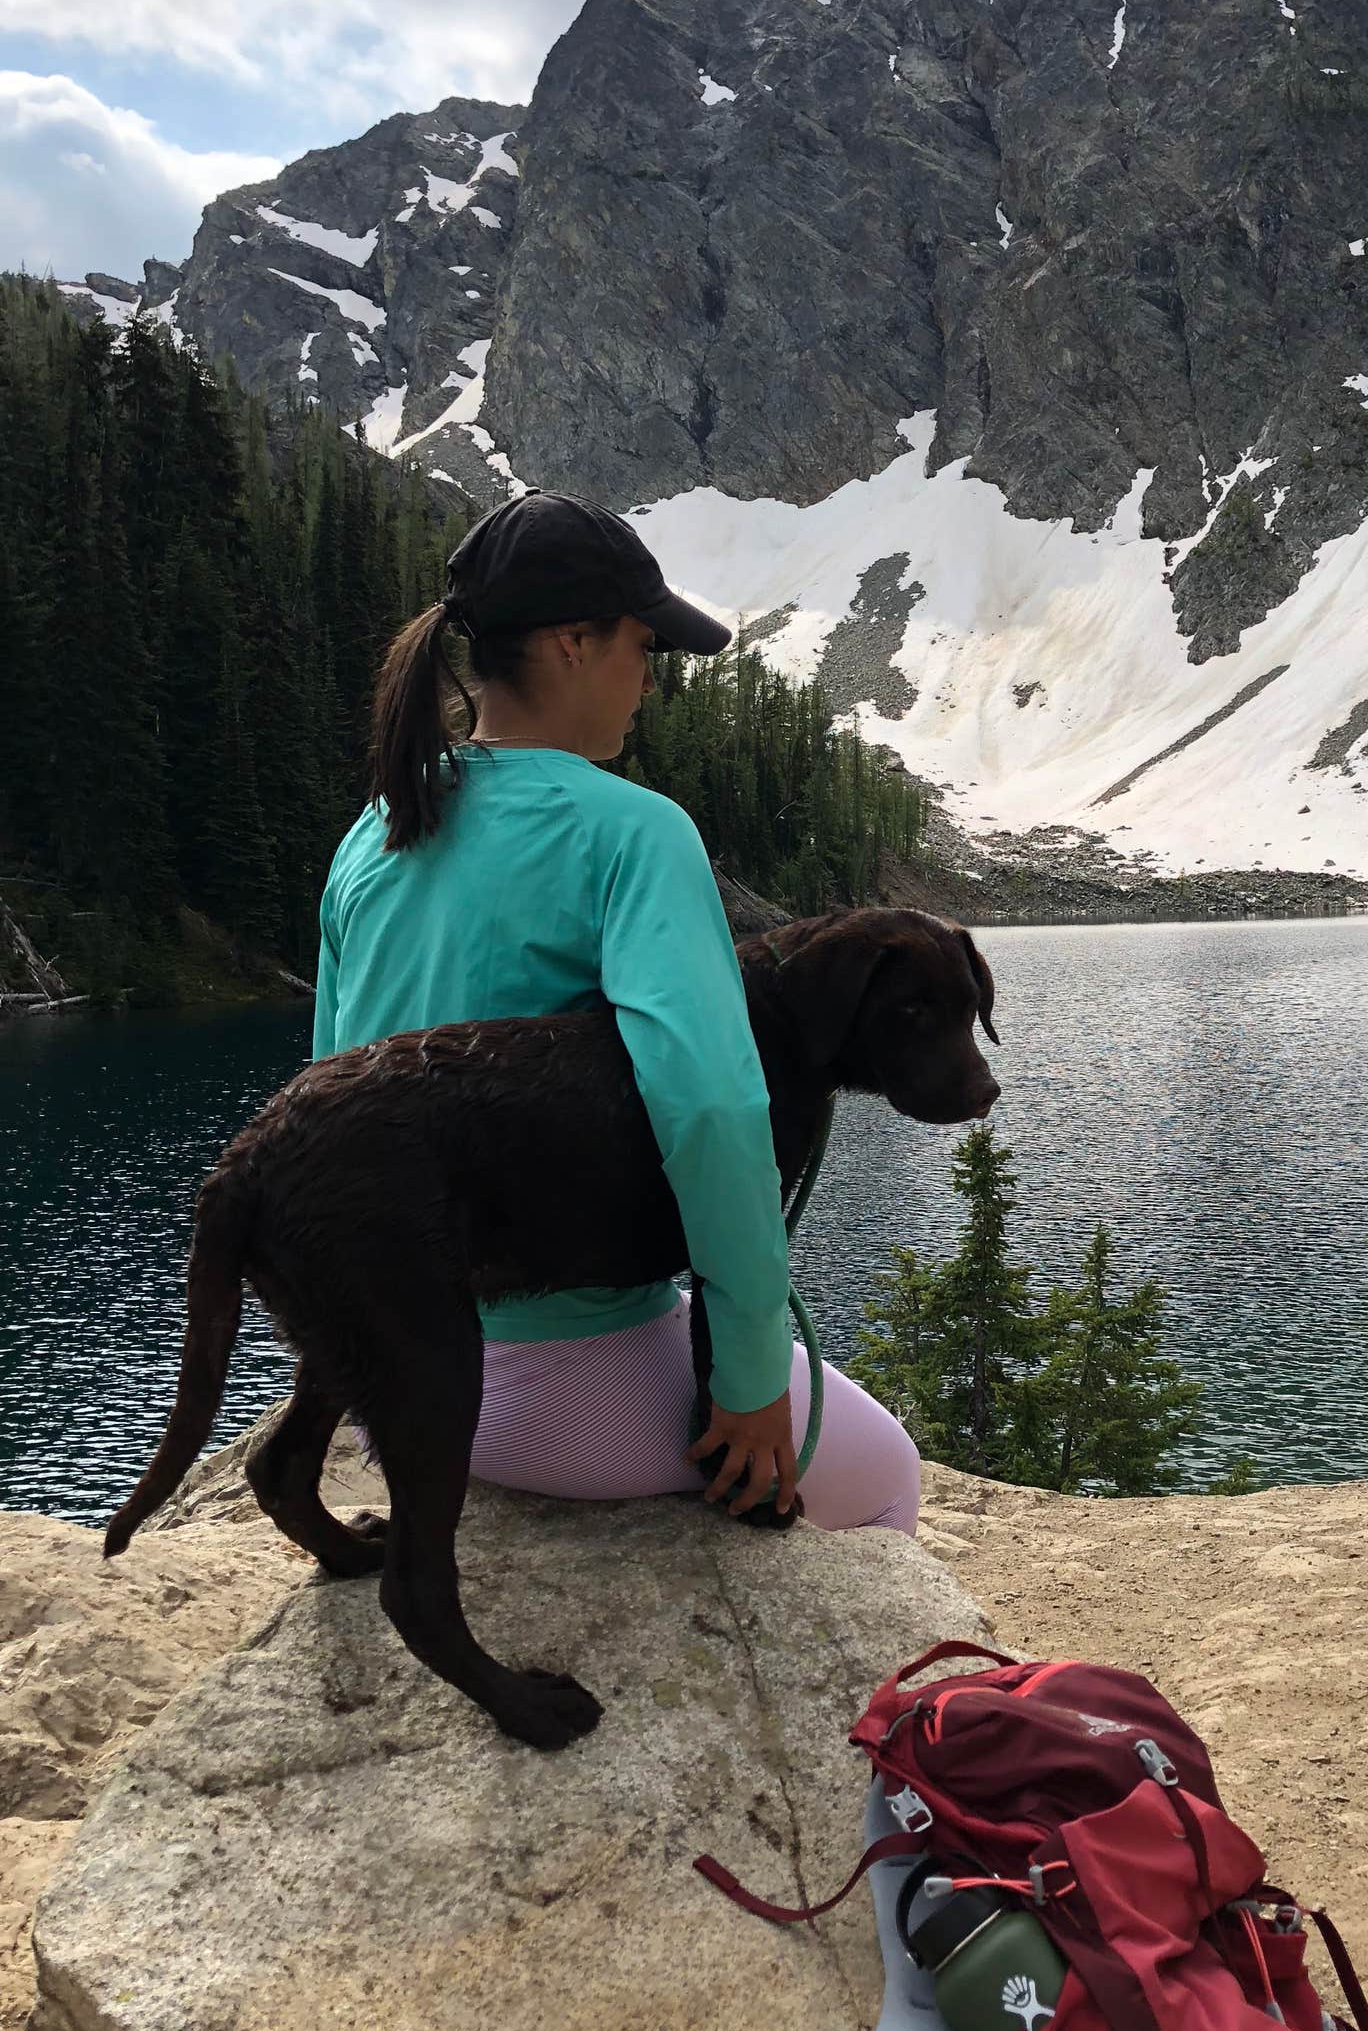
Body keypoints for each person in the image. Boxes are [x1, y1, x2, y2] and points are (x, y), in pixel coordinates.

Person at [310, 488, 920, 1534]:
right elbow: (715, 1110)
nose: (653, 678)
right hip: (539, 1383)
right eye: (646, 646)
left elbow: (324, 1107)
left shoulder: (376, 830)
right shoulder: (634, 832)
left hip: (391, 1376)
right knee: (882, 1474)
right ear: (573, 643)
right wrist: (746, 1380)